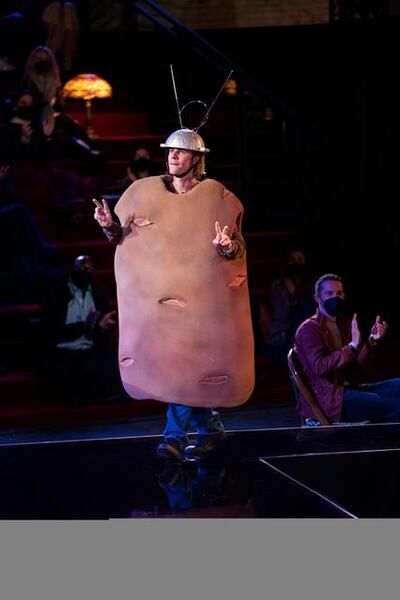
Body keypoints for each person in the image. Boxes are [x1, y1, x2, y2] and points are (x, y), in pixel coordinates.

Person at [93, 127, 255, 460]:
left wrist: (226, 247)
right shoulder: (145, 193)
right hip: (161, 302)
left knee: (186, 368)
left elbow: (236, 249)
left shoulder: (215, 197)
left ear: (197, 159)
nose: (173, 156)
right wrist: (109, 225)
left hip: (200, 302)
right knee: (181, 369)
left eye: (180, 152)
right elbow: (122, 238)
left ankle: (174, 438)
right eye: (170, 151)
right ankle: (209, 427)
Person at [294, 272, 400, 424]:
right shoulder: (309, 329)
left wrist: (371, 343)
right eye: (329, 293)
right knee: (393, 406)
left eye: (339, 293)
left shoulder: (344, 324)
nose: (335, 297)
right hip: (330, 399)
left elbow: (357, 369)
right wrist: (351, 347)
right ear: (317, 298)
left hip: (348, 388)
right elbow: (319, 366)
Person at [38, 254, 123, 406]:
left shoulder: (96, 294)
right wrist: (86, 326)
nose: (85, 274)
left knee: (109, 361)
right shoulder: (58, 293)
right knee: (70, 368)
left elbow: (101, 330)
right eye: (81, 270)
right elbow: (52, 329)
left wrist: (103, 327)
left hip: (88, 348)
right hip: (63, 349)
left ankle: (108, 395)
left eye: (88, 271)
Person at [261, 247, 314, 363]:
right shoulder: (278, 286)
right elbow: (282, 316)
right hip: (283, 334)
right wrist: (291, 297)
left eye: (300, 260)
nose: (296, 264)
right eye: (292, 260)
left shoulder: (311, 286)